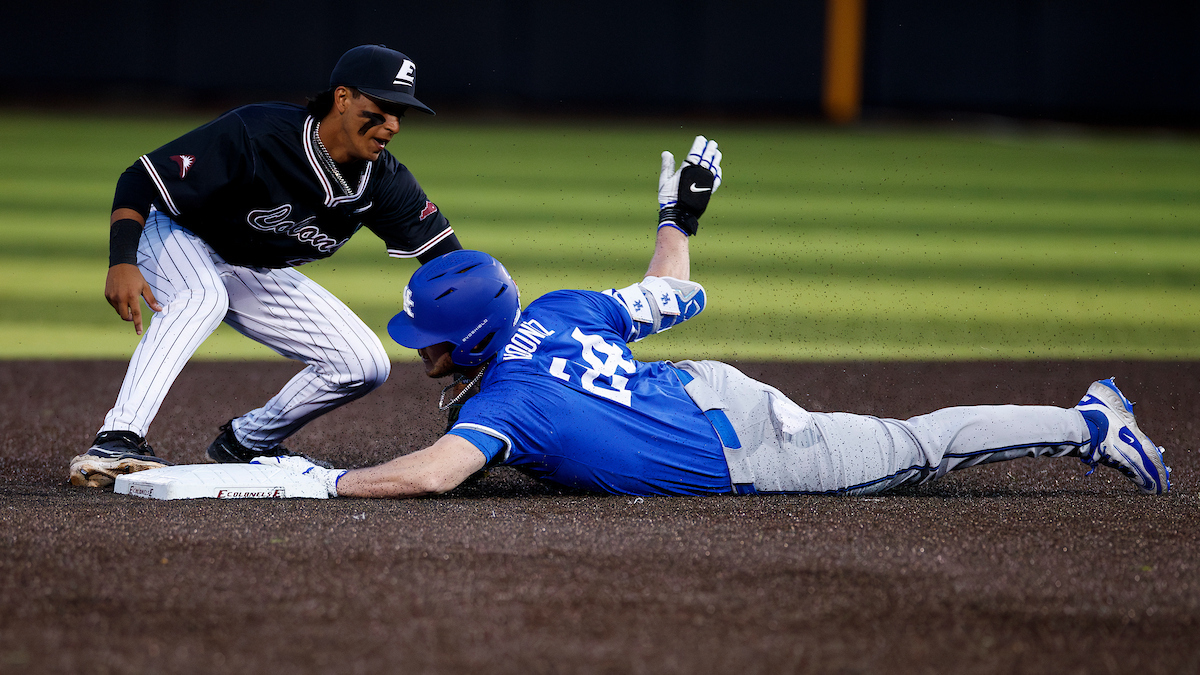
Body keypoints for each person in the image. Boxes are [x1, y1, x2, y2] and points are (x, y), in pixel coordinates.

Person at [252, 136, 1172, 499]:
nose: (423, 350)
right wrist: (677, 220)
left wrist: (330, 483)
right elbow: (675, 295)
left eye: (433, 337)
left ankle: (1091, 421)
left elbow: (434, 476)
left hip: (750, 446)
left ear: (479, 338)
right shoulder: (560, 312)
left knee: (917, 449)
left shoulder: (509, 405)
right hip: (704, 389)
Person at [70, 45, 463, 488]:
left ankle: (247, 441)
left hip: (251, 265)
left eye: (400, 115)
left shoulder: (387, 182)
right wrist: (122, 259)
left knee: (363, 363)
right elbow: (141, 177)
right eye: (383, 109)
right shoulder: (259, 132)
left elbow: (450, 262)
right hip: (176, 234)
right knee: (202, 298)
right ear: (343, 98)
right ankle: (117, 438)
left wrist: (464, 338)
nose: (392, 125)